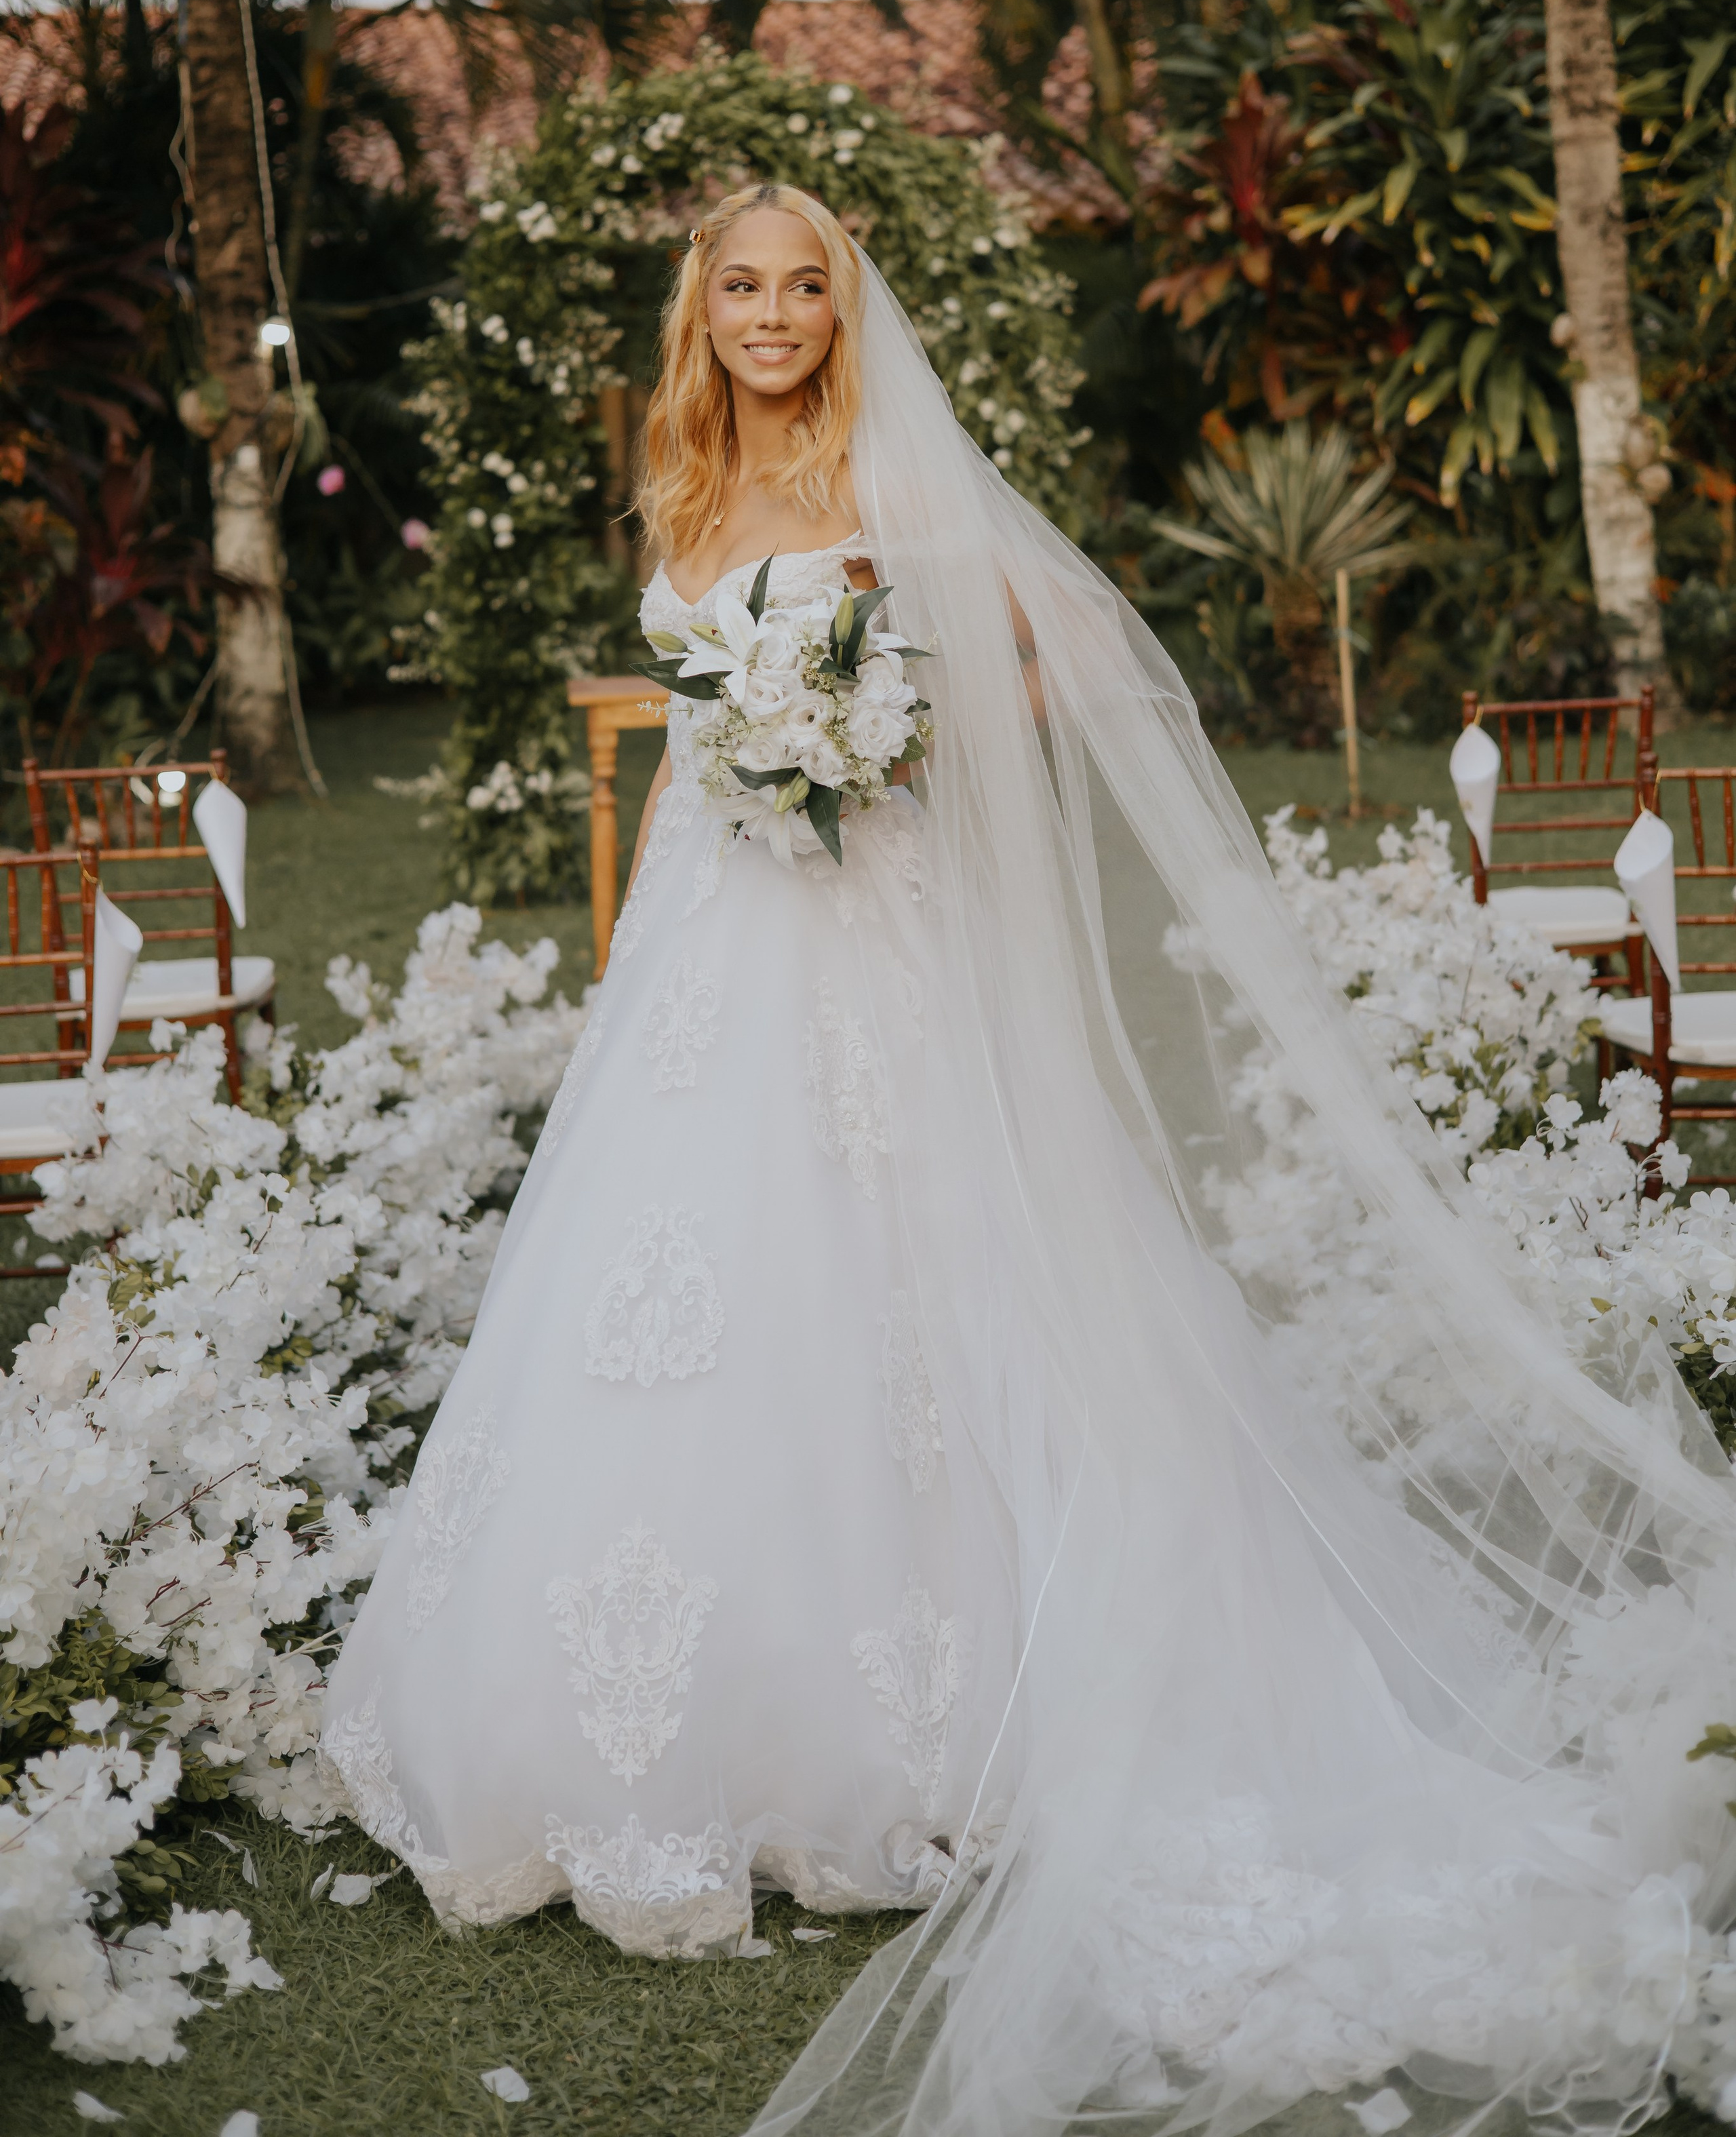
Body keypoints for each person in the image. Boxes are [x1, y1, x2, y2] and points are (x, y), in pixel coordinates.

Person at [324, 182, 1736, 2137]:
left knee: (918, 1281)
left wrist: (887, 732)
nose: (773, 314)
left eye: (804, 285)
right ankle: (647, 1740)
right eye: (741, 287)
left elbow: (1057, 659)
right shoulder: (681, 482)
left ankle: (953, 1725)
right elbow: (692, 727)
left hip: (876, 949)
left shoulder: (887, 470)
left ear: (841, 308)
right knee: (675, 1298)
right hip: (715, 950)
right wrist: (751, 750)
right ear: (698, 309)